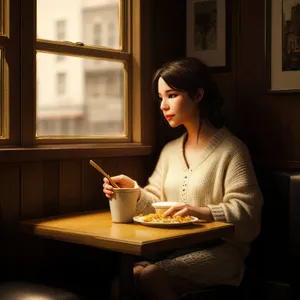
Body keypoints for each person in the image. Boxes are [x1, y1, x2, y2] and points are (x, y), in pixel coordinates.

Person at [103, 57, 263, 300]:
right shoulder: (170, 150)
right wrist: (132, 191)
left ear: (198, 95)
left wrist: (198, 211)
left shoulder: (232, 150)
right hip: (172, 248)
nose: (163, 106)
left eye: (172, 95)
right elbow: (155, 201)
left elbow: (248, 214)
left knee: (150, 277)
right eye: (160, 98)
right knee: (124, 281)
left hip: (221, 251)